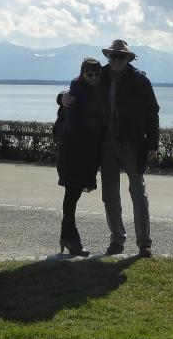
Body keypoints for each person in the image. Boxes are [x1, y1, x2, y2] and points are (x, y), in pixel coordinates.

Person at [92, 39, 160, 256]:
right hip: (106, 144)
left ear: (128, 58)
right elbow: (78, 90)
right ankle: (117, 241)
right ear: (108, 57)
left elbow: (153, 112)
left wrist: (152, 143)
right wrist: (61, 98)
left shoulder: (140, 80)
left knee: (138, 194)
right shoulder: (98, 77)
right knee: (109, 195)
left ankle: (144, 243)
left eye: (121, 56)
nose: (116, 60)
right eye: (113, 56)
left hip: (133, 144)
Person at [54, 57, 107, 256]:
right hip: (74, 152)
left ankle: (67, 237)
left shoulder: (95, 90)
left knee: (73, 195)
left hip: (85, 153)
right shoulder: (76, 92)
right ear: (82, 74)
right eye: (89, 74)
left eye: (97, 74)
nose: (94, 77)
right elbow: (75, 125)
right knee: (72, 195)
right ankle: (71, 238)